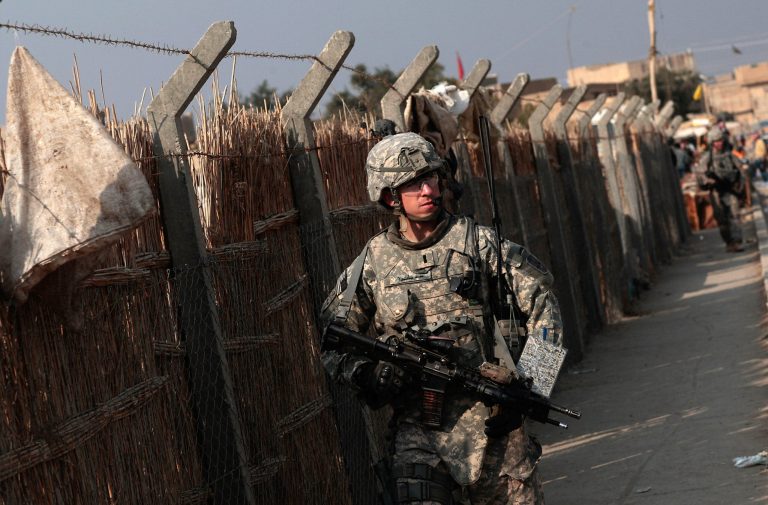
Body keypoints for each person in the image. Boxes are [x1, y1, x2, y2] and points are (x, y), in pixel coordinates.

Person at [320, 132, 563, 504]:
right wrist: (367, 374)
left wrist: (528, 389)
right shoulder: (372, 263)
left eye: (431, 177)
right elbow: (334, 338)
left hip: (494, 424)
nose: (428, 189)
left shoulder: (480, 245)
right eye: (413, 183)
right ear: (389, 196)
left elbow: (545, 308)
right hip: (420, 433)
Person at [695, 127, 745, 252]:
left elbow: (740, 169)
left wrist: (740, 185)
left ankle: (737, 241)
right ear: (712, 142)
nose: (719, 143)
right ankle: (729, 243)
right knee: (721, 219)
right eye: (716, 141)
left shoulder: (729, 154)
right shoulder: (708, 157)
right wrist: (708, 180)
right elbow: (700, 173)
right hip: (716, 191)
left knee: (735, 215)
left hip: (730, 189)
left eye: (721, 140)